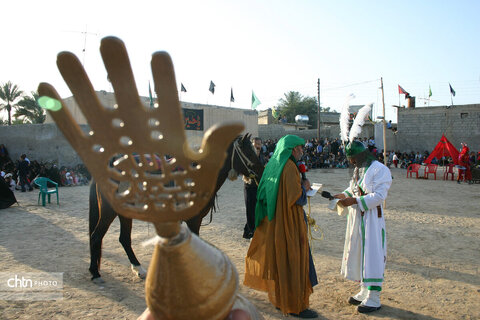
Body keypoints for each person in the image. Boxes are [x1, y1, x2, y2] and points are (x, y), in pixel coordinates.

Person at [244, 135, 318, 318]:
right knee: (292, 260)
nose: (302, 151)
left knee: (280, 260)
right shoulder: (290, 167)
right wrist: (305, 188)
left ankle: (280, 300)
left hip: (274, 222)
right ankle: (295, 306)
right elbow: (295, 197)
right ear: (292, 149)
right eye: (300, 148)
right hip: (289, 223)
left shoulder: (272, 166)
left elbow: (262, 193)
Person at [333, 140, 392, 313]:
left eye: (353, 158)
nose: (351, 162)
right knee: (359, 252)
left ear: (362, 154)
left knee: (372, 254)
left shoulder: (380, 169)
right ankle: (364, 290)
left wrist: (356, 201)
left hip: (372, 219)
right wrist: (342, 195)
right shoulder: (359, 169)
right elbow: (354, 189)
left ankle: (374, 297)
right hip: (357, 217)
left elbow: (379, 195)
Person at [243, 137, 266, 239]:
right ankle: (251, 231)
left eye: (259, 144)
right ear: (252, 145)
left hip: (258, 186)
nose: (258, 146)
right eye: (256, 144)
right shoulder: (247, 157)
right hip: (249, 186)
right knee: (250, 209)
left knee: (256, 209)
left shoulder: (262, 156)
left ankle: (249, 230)